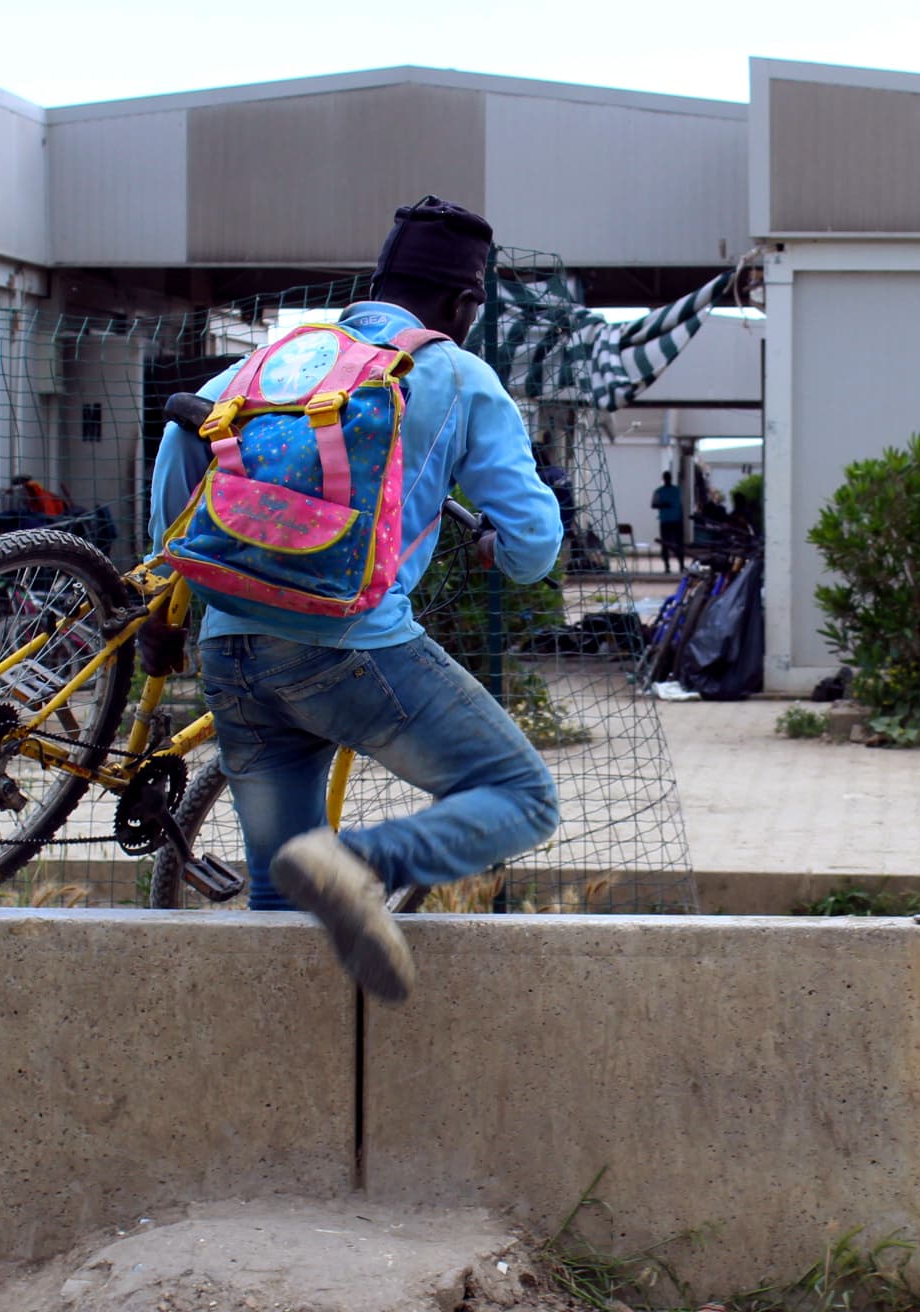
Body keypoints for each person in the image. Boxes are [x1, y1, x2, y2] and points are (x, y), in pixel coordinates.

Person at [145, 196, 563, 1003]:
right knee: (521, 797)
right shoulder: (454, 373)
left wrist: (182, 593)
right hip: (349, 648)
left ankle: (292, 1088)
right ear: (466, 302)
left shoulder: (271, 361)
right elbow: (532, 546)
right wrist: (495, 550)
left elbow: (177, 456)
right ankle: (362, 865)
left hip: (230, 646)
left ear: (379, 279)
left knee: (278, 893)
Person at [650, 470, 685, 573]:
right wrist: (662, 505)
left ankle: (681, 565)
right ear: (664, 479)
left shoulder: (677, 490)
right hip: (666, 520)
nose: (667, 480)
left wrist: (681, 519)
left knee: (678, 544)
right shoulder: (659, 491)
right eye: (666, 478)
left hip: (675, 520)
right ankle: (667, 566)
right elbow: (653, 505)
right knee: (666, 544)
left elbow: (680, 505)